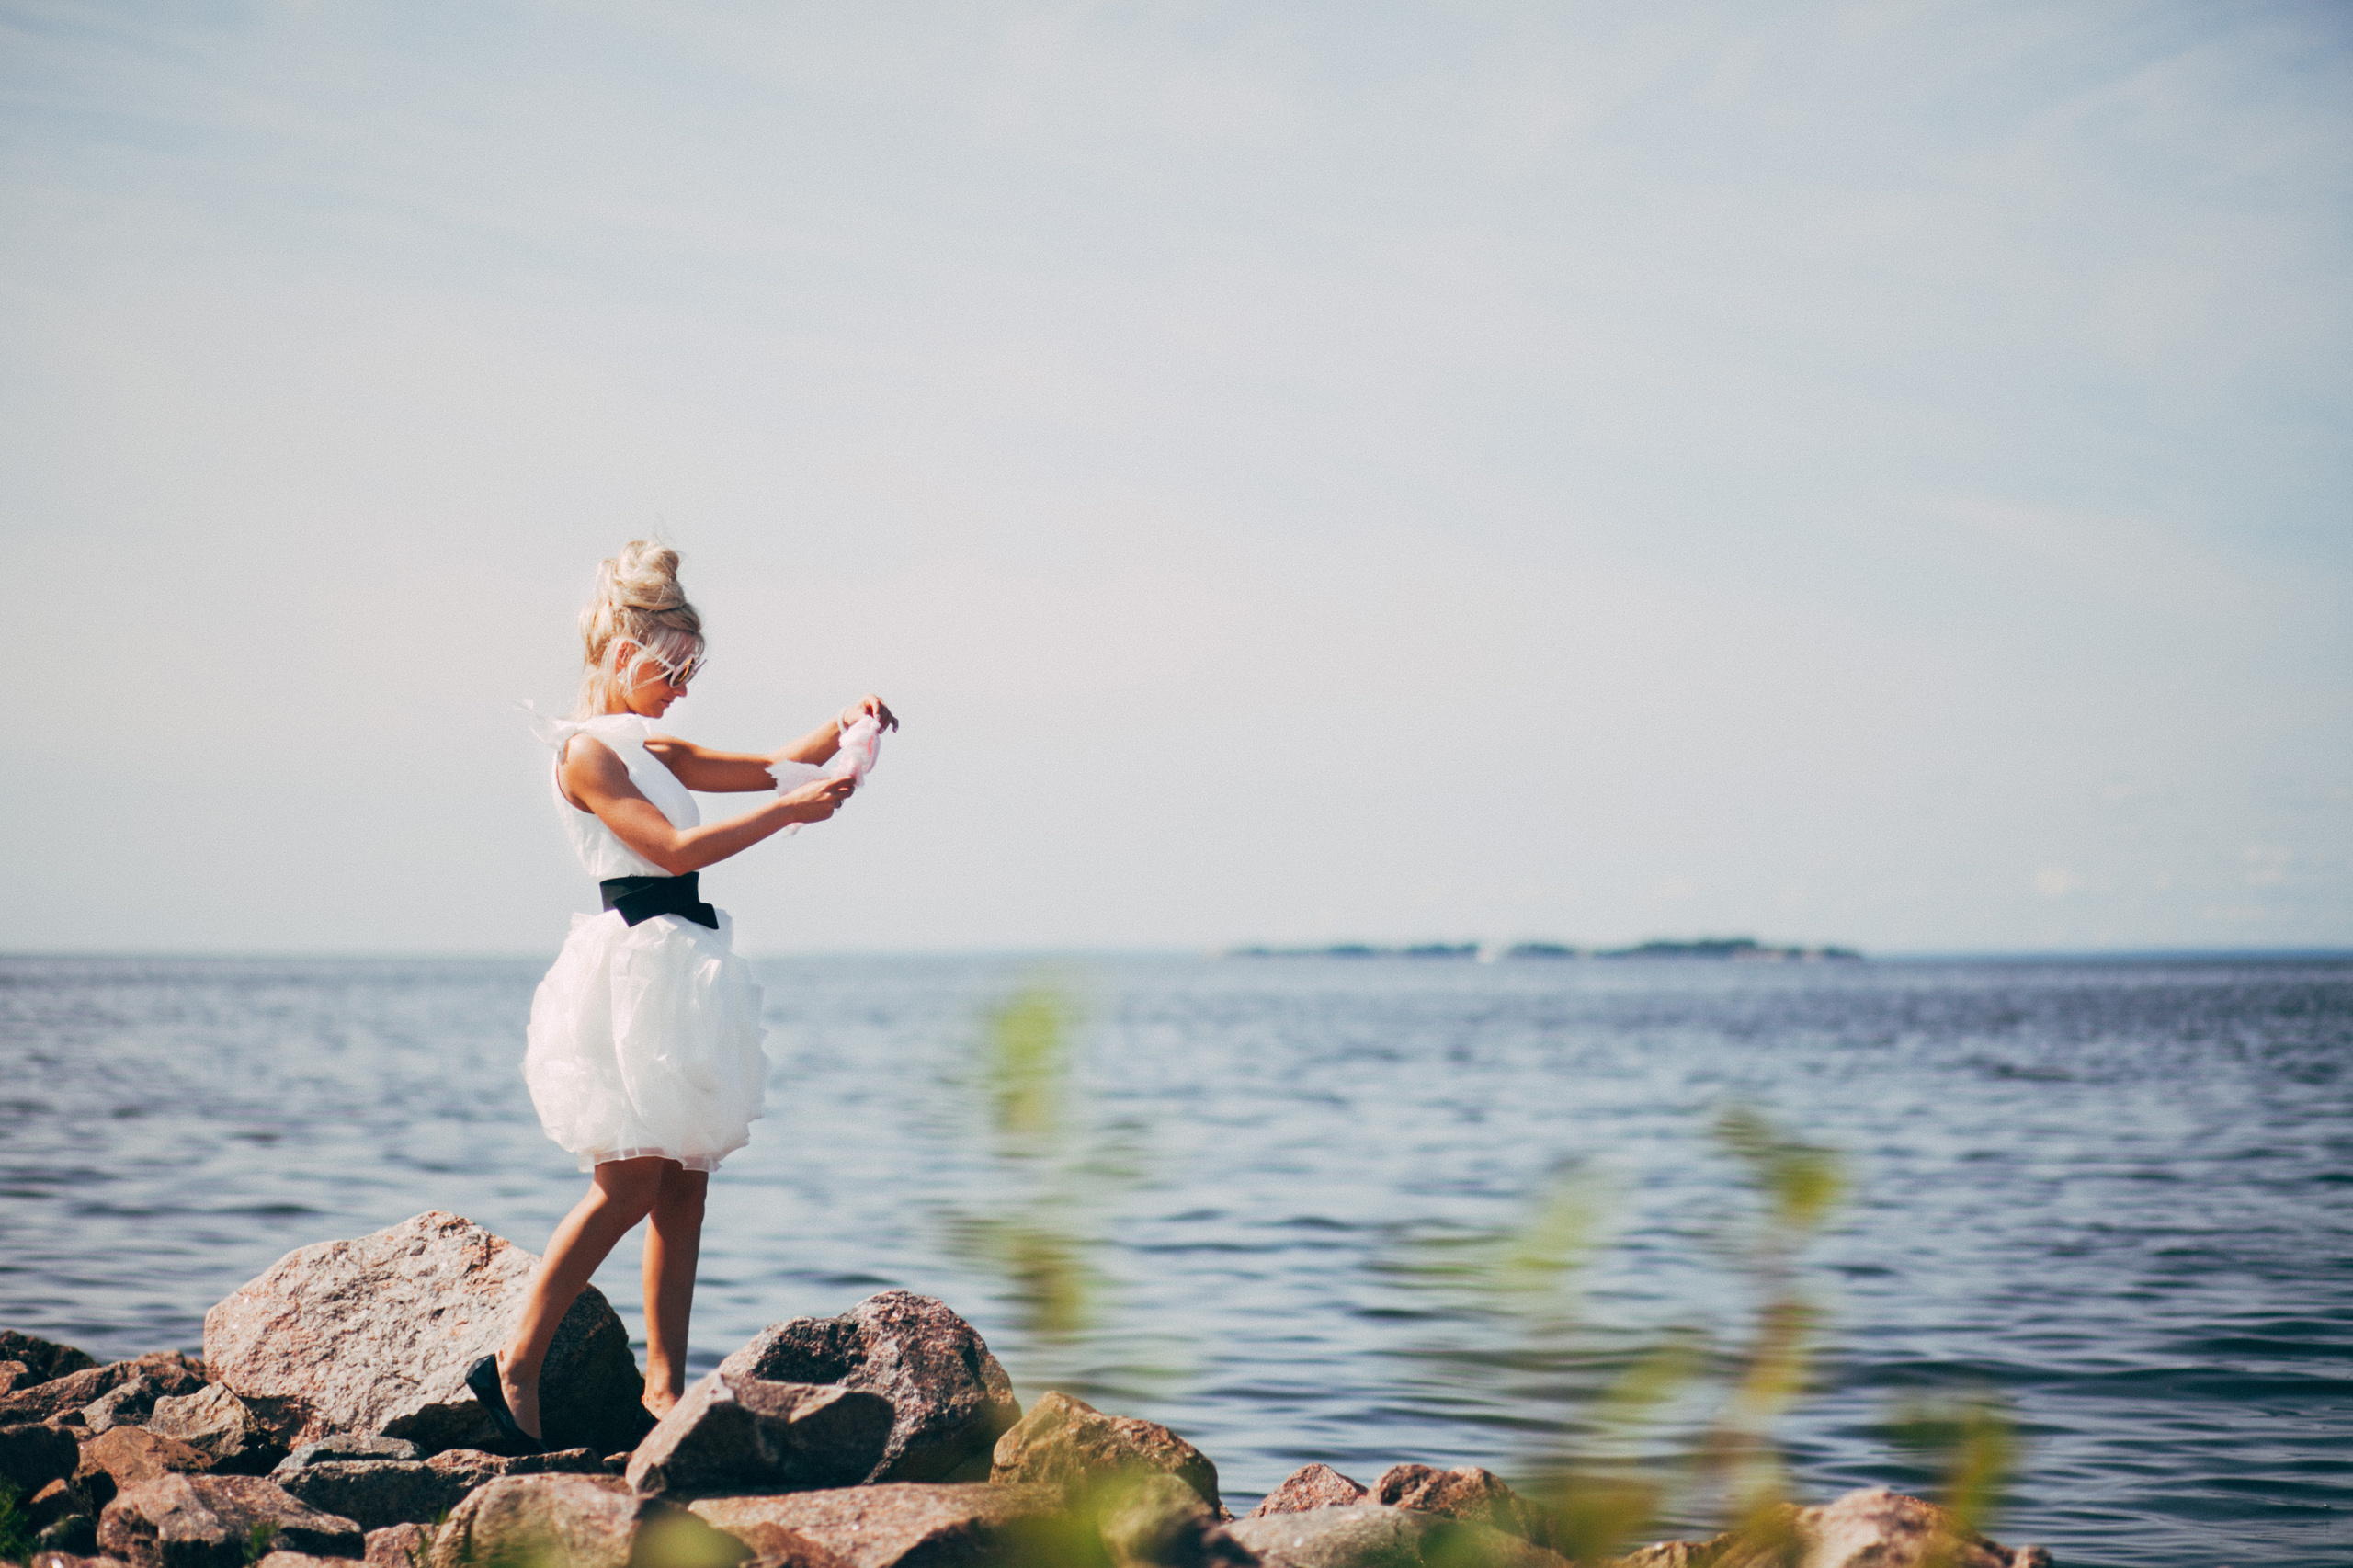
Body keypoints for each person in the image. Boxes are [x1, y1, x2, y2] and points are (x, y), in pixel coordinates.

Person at [468, 540, 895, 1449]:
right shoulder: (587, 754)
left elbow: (770, 766)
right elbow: (671, 848)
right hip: (632, 966)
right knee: (627, 1181)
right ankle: (516, 1362)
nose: (682, 690)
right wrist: (788, 812)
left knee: (685, 1186)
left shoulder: (652, 745)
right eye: (673, 671)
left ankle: (664, 1389)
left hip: (684, 965)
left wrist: (841, 729)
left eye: (690, 673)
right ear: (626, 656)